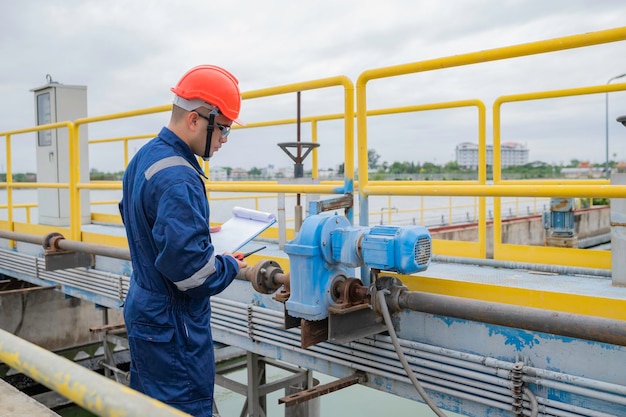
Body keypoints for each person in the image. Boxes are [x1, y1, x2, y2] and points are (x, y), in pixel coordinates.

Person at [119, 64, 247, 417]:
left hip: (147, 307)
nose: (223, 139)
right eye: (223, 129)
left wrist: (190, 232)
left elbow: (137, 220)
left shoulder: (146, 156)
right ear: (196, 119)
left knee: (149, 407)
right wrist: (229, 265)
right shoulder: (180, 176)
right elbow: (193, 275)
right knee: (183, 407)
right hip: (174, 324)